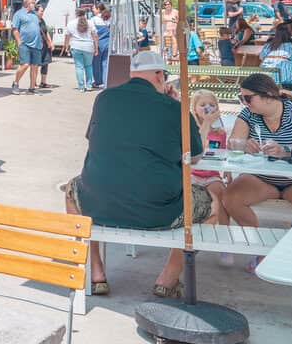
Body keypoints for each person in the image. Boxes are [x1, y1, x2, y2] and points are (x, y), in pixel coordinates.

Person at [63, 50, 207, 298]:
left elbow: (93, 138)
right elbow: (193, 157)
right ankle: (168, 277)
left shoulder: (104, 99)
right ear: (160, 76)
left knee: (71, 190)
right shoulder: (175, 109)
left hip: (98, 204)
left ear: (132, 75)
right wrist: (174, 105)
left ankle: (96, 271)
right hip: (158, 210)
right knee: (213, 205)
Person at [222, 74, 292, 237]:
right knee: (230, 198)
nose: (244, 102)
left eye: (247, 98)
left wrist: (286, 151)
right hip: (261, 178)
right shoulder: (248, 114)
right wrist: (244, 145)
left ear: (268, 96)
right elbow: (233, 143)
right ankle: (257, 244)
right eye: (241, 98)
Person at [190, 89, 232, 263]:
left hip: (212, 175)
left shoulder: (221, 130)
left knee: (221, 196)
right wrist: (206, 124)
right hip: (193, 174)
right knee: (193, 198)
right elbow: (197, 147)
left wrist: (228, 171)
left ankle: (224, 241)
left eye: (211, 105)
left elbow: (224, 153)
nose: (208, 108)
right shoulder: (192, 128)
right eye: (203, 105)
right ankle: (193, 238)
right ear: (195, 108)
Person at [11, 0, 42, 95]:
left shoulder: (34, 14)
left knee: (35, 66)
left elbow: (38, 28)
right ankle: (15, 83)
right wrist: (19, 42)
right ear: (28, 4)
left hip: (36, 44)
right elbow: (15, 29)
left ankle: (32, 88)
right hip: (24, 44)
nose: (35, 4)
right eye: (33, 2)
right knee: (25, 65)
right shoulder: (19, 14)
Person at [67, 9, 99, 92]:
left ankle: (81, 87)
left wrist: (66, 46)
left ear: (76, 14)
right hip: (88, 47)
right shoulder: (90, 22)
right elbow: (95, 36)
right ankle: (89, 86)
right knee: (88, 66)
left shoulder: (71, 23)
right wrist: (96, 48)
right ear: (85, 13)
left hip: (76, 47)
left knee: (79, 67)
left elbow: (67, 36)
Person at [91, 4, 111, 88]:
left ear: (98, 9)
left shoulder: (94, 19)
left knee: (96, 63)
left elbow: (92, 32)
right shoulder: (109, 18)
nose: (92, 10)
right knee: (105, 63)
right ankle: (105, 82)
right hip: (107, 43)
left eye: (94, 8)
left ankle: (97, 82)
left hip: (98, 43)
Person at [36, 4, 54, 89]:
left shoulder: (42, 20)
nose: (42, 12)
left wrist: (50, 42)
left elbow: (46, 32)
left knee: (45, 63)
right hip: (38, 45)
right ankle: (34, 82)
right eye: (41, 11)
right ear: (36, 11)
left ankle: (43, 82)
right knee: (36, 64)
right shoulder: (34, 21)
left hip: (45, 45)